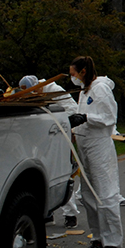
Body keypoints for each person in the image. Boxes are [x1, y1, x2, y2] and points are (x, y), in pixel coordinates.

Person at [68, 56, 125, 248]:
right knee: (88, 194)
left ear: (83, 71)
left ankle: (114, 245)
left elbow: (110, 118)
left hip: (99, 145)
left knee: (106, 193)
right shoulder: (85, 90)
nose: (71, 77)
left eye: (73, 73)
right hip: (84, 145)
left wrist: (86, 118)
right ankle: (99, 239)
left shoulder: (100, 88)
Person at [19, 75, 81, 228]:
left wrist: (69, 128)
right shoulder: (34, 95)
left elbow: (72, 111)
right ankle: (48, 212)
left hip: (60, 135)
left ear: (38, 86)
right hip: (43, 138)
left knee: (60, 172)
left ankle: (70, 214)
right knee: (43, 175)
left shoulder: (55, 91)